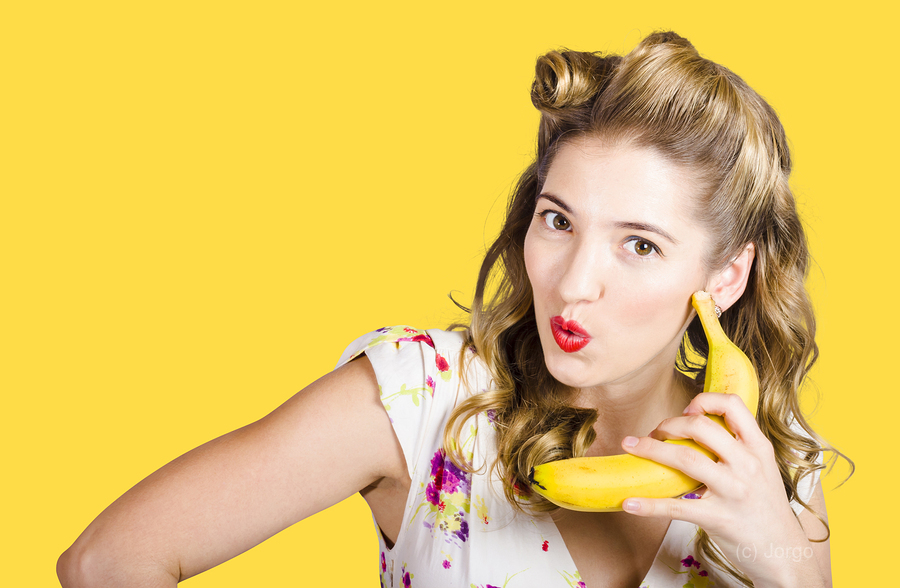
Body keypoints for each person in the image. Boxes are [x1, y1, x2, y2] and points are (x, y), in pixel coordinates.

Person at [57, 31, 836, 587]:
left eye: (638, 245)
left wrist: (785, 560)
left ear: (725, 277)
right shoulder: (423, 399)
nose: (574, 283)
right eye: (558, 221)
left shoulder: (768, 457)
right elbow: (105, 563)